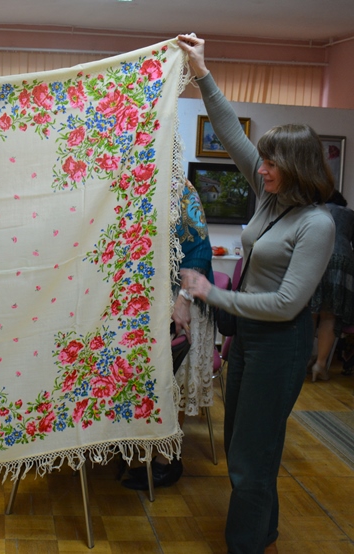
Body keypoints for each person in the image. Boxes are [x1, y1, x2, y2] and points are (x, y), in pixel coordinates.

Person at [176, 34, 335, 554]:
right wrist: (202, 72)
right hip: (247, 340)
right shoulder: (271, 199)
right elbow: (229, 132)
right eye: (261, 161)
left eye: (270, 163)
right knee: (250, 448)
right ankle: (265, 533)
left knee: (250, 457)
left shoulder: (316, 224)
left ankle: (244, 544)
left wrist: (211, 291)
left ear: (296, 166)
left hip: (281, 345)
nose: (259, 168)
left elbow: (288, 303)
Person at [123, 180, 216, 490]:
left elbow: (199, 251)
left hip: (182, 302)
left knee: (173, 383)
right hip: (152, 302)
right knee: (153, 384)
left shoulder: (180, 188)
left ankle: (168, 461)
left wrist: (182, 302)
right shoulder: (136, 181)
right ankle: (148, 454)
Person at [309, 189, 354, 381]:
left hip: (317, 256)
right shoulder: (350, 215)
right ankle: (320, 364)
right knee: (329, 315)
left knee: (311, 312)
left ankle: (303, 360)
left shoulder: (316, 210)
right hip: (342, 261)